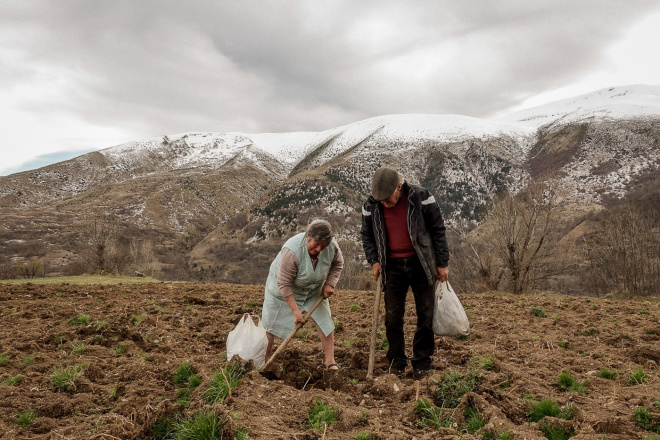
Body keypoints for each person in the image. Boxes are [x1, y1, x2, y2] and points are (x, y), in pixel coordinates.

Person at [361, 167, 449, 378]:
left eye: (386, 197)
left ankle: (422, 361)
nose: (383, 202)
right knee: (392, 318)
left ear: (398, 187)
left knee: (425, 315)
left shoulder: (422, 198)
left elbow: (438, 229)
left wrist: (442, 263)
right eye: (379, 198)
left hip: (421, 262)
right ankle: (397, 360)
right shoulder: (371, 205)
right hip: (391, 266)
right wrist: (374, 260)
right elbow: (367, 236)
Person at [261, 219, 344, 370]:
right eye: (316, 244)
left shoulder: (332, 246)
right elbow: (284, 284)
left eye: (323, 246)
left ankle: (330, 362)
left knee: (325, 322)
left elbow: (338, 264)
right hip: (282, 290)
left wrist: (330, 283)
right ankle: (265, 362)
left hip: (314, 289)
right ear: (308, 236)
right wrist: (295, 312)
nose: (319, 249)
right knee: (270, 325)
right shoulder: (292, 251)